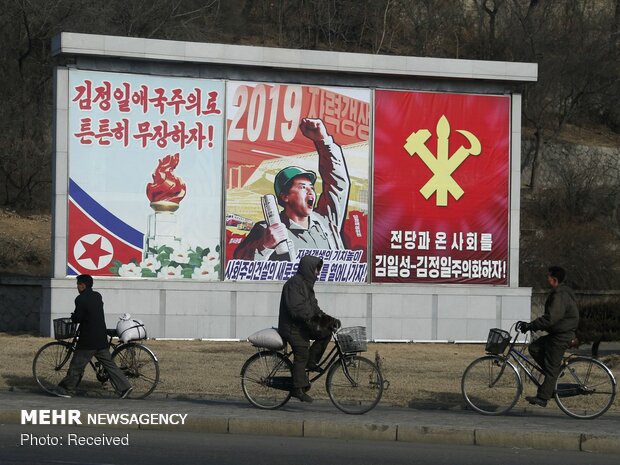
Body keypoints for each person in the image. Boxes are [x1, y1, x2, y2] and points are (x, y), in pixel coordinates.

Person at [233, 117, 350, 261]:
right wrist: (264, 246)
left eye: (311, 187)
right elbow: (239, 264)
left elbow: (337, 184)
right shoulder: (266, 230)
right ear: (285, 196)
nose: (310, 191)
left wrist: (323, 141)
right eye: (302, 187)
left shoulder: (325, 222)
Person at [55, 274, 133, 399]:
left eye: (78, 284)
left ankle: (67, 390)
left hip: (88, 339)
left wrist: (73, 316)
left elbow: (78, 318)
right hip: (101, 337)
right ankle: (125, 387)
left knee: (76, 365)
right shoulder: (97, 296)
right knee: (109, 365)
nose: (77, 287)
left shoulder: (80, 299)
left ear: (83, 285)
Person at [277, 255, 339, 402]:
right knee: (302, 351)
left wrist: (329, 320)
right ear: (309, 269)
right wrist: (313, 319)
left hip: (302, 325)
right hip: (291, 327)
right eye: (317, 269)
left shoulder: (307, 286)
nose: (318, 273)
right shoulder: (294, 284)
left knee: (325, 332)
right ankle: (297, 389)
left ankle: (311, 362)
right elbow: (297, 309)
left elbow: (314, 309)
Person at [517, 266, 579, 407]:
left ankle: (543, 397)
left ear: (554, 279)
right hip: (558, 333)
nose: (547, 278)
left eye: (548, 276)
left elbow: (550, 319)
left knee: (552, 369)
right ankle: (552, 379)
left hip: (561, 336)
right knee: (534, 347)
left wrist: (530, 325)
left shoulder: (560, 295)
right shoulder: (560, 292)